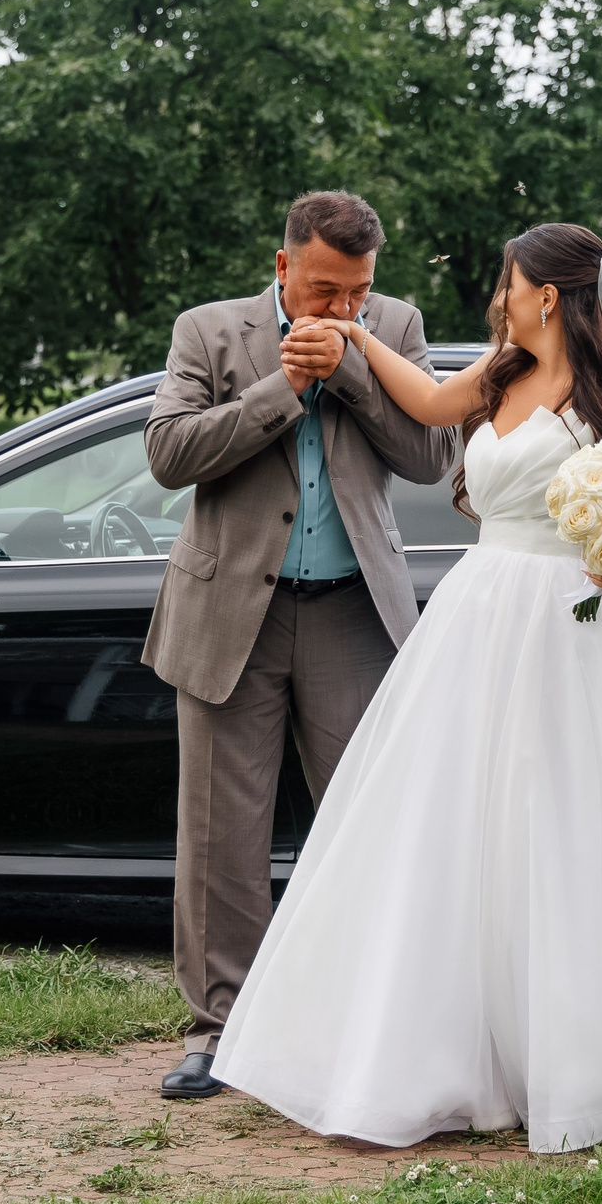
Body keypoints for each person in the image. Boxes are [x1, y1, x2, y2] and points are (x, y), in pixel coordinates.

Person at [211, 223, 602, 1152]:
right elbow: (427, 402)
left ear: (545, 295)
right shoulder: (500, 374)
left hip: (573, 630)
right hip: (480, 618)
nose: (497, 300)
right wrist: (353, 337)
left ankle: (595, 1059)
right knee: (462, 825)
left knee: (578, 829)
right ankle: (460, 1053)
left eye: (507, 284)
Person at [142, 190, 458, 1101]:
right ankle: (221, 1031)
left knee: (369, 827)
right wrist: (282, 389)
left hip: (353, 613)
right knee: (221, 837)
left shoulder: (395, 326)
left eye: (359, 289)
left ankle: (364, 1025)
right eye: (326, 290)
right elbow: (168, 453)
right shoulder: (208, 331)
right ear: (284, 267)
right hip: (228, 613)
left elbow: (432, 456)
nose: (346, 306)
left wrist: (353, 369)